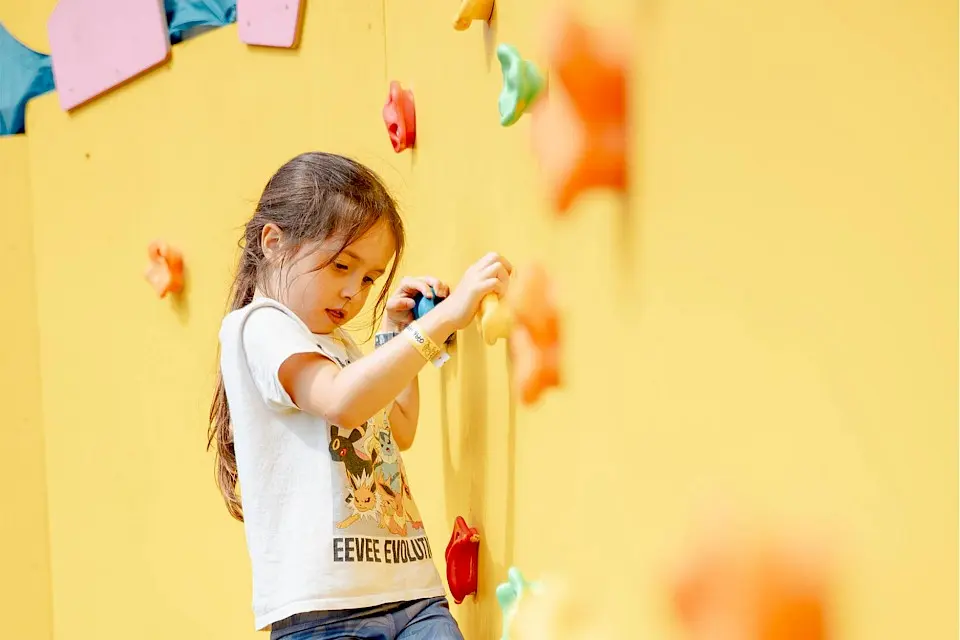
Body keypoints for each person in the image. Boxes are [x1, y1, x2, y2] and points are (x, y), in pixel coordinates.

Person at [208, 152, 511, 638]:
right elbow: (342, 400)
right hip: (325, 612)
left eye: (369, 278)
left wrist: (393, 335)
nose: (354, 292)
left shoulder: (341, 345)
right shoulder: (259, 326)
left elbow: (401, 429)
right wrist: (446, 318)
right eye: (342, 265)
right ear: (274, 243)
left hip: (411, 592)